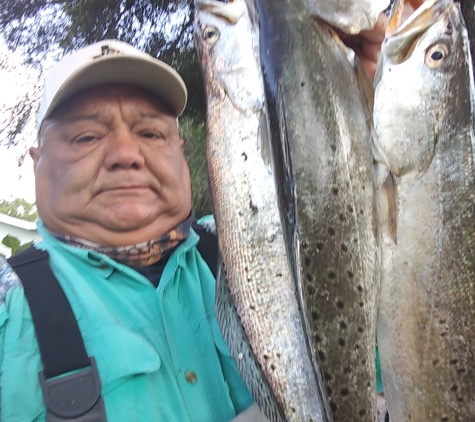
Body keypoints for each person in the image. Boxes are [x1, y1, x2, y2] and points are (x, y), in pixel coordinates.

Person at [0, 15, 387, 422]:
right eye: (86, 137)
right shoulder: (10, 312)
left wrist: (372, 99)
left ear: (183, 152)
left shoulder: (279, 244)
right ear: (36, 163)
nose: (126, 154)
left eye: (150, 134)